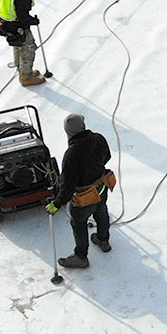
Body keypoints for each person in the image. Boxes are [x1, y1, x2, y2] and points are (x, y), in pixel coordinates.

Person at [46, 113, 115, 269]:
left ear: (68, 132)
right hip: (101, 187)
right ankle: (103, 240)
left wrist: (56, 204)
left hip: (84, 197)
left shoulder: (71, 154)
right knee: (101, 210)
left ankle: (80, 257)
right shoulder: (98, 138)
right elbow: (107, 156)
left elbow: (68, 185)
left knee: (79, 223)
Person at [0, 0, 44, 87]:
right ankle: (26, 77)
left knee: (16, 45)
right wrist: (34, 21)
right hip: (17, 24)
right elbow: (23, 17)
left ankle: (19, 67)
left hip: (4, 21)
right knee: (28, 49)